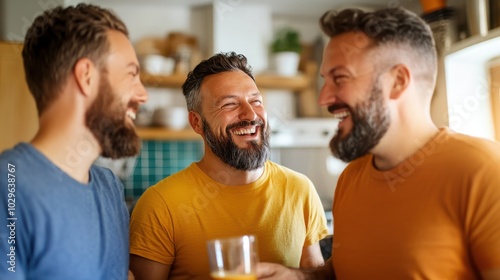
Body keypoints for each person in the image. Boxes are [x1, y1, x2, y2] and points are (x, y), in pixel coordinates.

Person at [257, 6, 500, 280]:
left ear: (397, 81)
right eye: (326, 80)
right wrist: (300, 277)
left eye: (340, 78)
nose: (323, 98)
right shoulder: (351, 178)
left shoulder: (483, 171)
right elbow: (346, 269)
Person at [129, 52, 329, 279]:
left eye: (256, 101)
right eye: (230, 104)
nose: (250, 114)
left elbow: (314, 274)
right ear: (196, 122)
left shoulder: (300, 189)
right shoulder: (160, 204)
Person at [0, 4, 148, 279]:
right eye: (131, 73)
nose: (143, 94)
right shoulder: (7, 187)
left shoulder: (110, 189)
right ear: (86, 77)